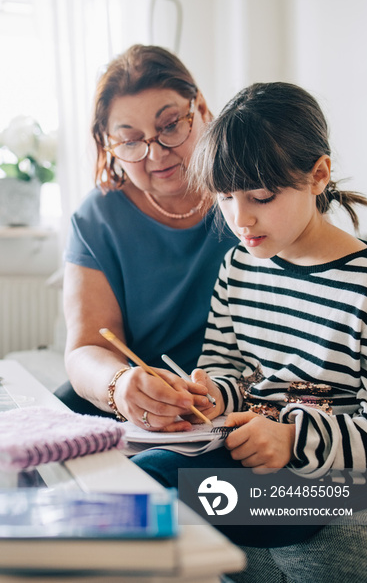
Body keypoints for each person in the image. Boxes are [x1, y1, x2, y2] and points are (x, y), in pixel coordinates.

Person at [132, 82, 367, 582]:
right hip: (242, 455)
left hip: (332, 483)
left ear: (318, 175)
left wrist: (290, 439)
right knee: (134, 472)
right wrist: (208, 395)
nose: (240, 219)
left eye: (261, 196)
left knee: (159, 493)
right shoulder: (238, 266)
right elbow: (229, 371)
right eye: (224, 198)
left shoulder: (363, 286)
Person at [55, 44, 235, 428]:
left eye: (170, 125)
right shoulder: (97, 218)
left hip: (233, 400)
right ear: (110, 147)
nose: (156, 155)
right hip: (126, 407)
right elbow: (87, 347)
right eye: (132, 141)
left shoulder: (254, 194)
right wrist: (119, 385)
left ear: (200, 108)